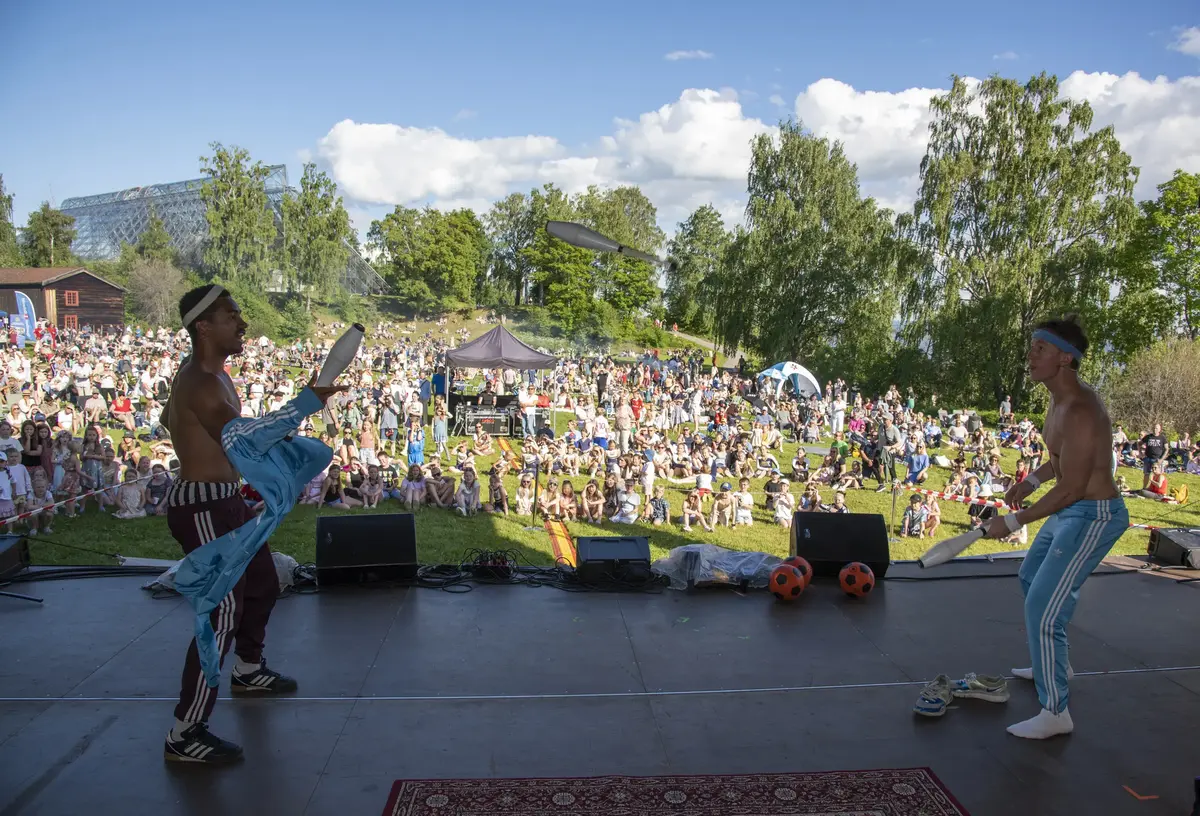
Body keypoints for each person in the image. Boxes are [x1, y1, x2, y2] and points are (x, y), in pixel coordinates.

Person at [161, 285, 344, 765]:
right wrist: (307, 401)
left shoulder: (213, 377)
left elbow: (170, 418)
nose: (243, 324)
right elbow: (245, 437)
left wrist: (188, 434)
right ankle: (186, 731)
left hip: (225, 500)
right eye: (232, 316)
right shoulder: (200, 382)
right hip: (202, 508)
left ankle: (247, 667)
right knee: (220, 612)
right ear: (204, 326)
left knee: (262, 582)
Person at [982, 315, 1128, 740]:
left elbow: (1074, 487)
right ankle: (1054, 661)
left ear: (1066, 358)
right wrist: (1030, 481)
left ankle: (1056, 711)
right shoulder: (1058, 400)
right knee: (1030, 578)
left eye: (1040, 349)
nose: (1031, 355)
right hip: (1073, 509)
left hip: (1093, 515)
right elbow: (1063, 461)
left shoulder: (1082, 409)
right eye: (1032, 347)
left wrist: (1012, 521)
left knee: (1043, 610)